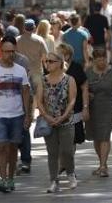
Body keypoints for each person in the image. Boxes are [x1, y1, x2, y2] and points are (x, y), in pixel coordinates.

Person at [0, 38, 32, 193]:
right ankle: (3, 179)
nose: (9, 54)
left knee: (12, 148)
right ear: (1, 51)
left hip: (17, 115)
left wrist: (28, 114)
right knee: (2, 146)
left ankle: (10, 178)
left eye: (12, 51)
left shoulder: (20, 70)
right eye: (6, 51)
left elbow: (26, 92)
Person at [36, 51, 77, 193]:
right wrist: (46, 116)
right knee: (52, 152)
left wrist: (63, 116)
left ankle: (70, 173)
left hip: (66, 121)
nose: (47, 64)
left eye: (51, 61)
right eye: (46, 61)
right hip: (49, 122)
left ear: (60, 63)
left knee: (67, 150)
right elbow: (39, 101)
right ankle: (54, 181)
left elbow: (72, 100)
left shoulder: (69, 79)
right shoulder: (43, 80)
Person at [84, 49, 112, 177]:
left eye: (104, 59)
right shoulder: (88, 72)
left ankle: (102, 166)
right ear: (94, 60)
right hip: (93, 107)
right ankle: (102, 164)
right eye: (99, 59)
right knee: (96, 137)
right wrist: (87, 96)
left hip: (108, 107)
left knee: (105, 135)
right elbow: (83, 89)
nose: (102, 62)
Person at [56, 43, 88, 149]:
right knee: (59, 140)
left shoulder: (76, 68)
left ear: (67, 55)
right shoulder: (53, 68)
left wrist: (85, 108)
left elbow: (84, 89)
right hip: (57, 109)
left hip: (75, 108)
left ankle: (68, 163)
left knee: (72, 139)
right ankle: (63, 164)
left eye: (59, 54)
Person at [16, 18, 48, 92]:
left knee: (24, 95)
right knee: (38, 96)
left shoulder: (17, 40)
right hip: (37, 72)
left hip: (22, 73)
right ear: (34, 28)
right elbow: (44, 57)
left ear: (24, 28)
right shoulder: (40, 40)